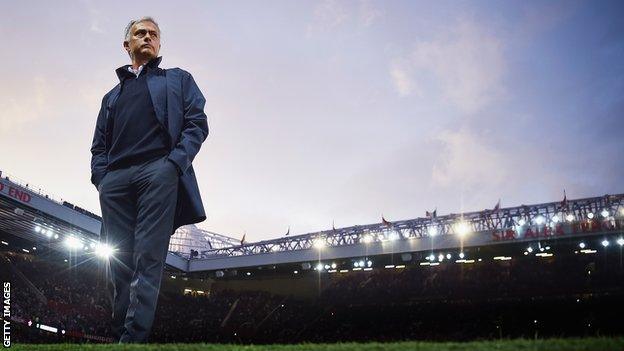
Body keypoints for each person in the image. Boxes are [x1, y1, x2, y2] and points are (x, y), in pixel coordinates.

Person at [89, 16, 209, 343]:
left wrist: (173, 165)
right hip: (115, 181)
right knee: (118, 262)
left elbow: (197, 124)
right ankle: (118, 338)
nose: (147, 37)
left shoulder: (178, 79)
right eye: (139, 33)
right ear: (127, 45)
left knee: (148, 259)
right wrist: (102, 178)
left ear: (158, 45)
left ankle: (132, 341)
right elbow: (99, 146)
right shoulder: (111, 97)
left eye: (153, 34)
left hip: (158, 171)